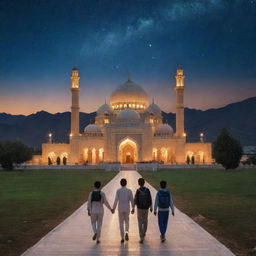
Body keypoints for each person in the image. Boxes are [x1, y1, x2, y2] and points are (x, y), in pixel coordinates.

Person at [113, 178, 135, 243]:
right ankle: (127, 232)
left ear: (120, 183)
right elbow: (132, 200)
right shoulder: (129, 191)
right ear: (126, 183)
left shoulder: (118, 191)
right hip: (127, 208)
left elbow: (116, 201)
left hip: (120, 209)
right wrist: (133, 208)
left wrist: (113, 209)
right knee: (127, 222)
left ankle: (122, 237)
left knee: (121, 223)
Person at [134, 178, 152, 243]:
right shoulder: (147, 190)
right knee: (145, 221)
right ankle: (144, 233)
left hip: (139, 209)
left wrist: (133, 208)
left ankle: (141, 237)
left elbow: (135, 200)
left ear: (139, 183)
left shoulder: (138, 191)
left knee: (140, 222)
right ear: (144, 183)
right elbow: (150, 199)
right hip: (146, 208)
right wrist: (151, 207)